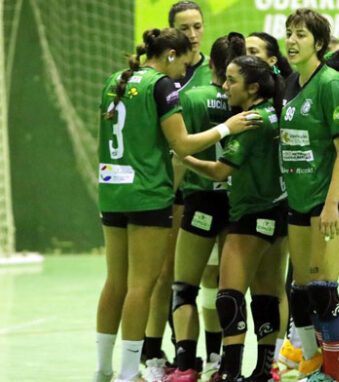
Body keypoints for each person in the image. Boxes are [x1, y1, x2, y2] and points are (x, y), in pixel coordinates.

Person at [94, 27, 260, 382]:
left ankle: (102, 368)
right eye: (182, 64)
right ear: (170, 54)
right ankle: (127, 373)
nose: (183, 73)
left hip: (111, 190)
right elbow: (182, 145)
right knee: (142, 285)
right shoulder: (161, 85)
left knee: (115, 282)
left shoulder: (114, 81)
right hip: (147, 194)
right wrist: (227, 128)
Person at [179, 54, 288, 382]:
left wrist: (182, 156)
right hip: (278, 214)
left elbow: (219, 170)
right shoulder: (275, 112)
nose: (225, 87)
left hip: (249, 215)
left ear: (253, 87)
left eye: (231, 81)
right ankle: (264, 370)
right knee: (267, 295)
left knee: (229, 295)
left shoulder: (251, 122)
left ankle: (229, 372)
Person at [280, 8, 339, 382]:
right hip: (299, 198)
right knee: (301, 289)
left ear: (319, 43)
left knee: (325, 288)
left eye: (301, 34)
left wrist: (331, 205)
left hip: (332, 200)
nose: (292, 41)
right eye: (289, 33)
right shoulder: (291, 84)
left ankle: (334, 373)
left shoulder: (330, 83)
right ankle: (312, 363)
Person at [161, 33, 245, 382]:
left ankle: (183, 365)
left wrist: (170, 197)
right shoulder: (247, 100)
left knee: (184, 287)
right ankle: (223, 363)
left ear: (210, 63)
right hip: (237, 203)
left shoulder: (191, 98)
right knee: (230, 288)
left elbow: (180, 155)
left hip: (199, 201)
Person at [141, 3, 220, 376]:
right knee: (165, 273)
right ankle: (155, 353)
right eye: (184, 27)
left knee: (209, 275)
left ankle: (207, 354)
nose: (192, 33)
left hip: (205, 184)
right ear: (171, 31)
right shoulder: (160, 76)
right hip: (167, 186)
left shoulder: (213, 74)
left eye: (197, 26)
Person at [245, 31, 294, 380]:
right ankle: (262, 361)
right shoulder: (241, 101)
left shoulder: (284, 99)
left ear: (272, 61)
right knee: (253, 289)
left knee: (276, 286)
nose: (245, 56)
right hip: (246, 203)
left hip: (280, 200)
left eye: (253, 52)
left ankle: (276, 359)